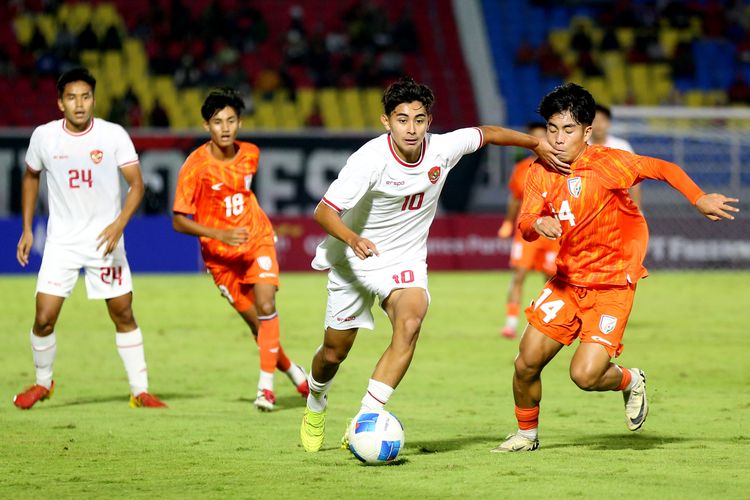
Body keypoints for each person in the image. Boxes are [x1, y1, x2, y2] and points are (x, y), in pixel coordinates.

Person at [299, 76, 570, 452]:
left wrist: (536, 144)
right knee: (333, 354)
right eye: (402, 119)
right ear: (386, 122)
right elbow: (324, 211)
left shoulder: (443, 148)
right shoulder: (368, 160)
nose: (411, 128)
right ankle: (316, 401)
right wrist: (352, 238)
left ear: (429, 120)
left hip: (405, 259)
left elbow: (487, 133)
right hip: (355, 259)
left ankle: (365, 418)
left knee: (410, 322)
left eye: (419, 119)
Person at [493, 83, 739, 453]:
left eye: (569, 129)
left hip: (611, 285)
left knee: (585, 375)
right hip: (567, 282)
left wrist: (698, 197)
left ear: (587, 132)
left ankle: (629, 380)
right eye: (552, 129)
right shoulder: (538, 171)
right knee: (525, 364)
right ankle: (526, 435)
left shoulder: (610, 162)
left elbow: (663, 167)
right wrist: (537, 225)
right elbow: (526, 222)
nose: (558, 139)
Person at [14, 67, 167, 410]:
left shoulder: (113, 135)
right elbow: (30, 177)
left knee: (123, 313)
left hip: (105, 242)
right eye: (72, 97)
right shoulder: (44, 137)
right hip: (62, 244)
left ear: (94, 100)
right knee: (43, 317)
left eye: (85, 97)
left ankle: (140, 390)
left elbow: (137, 184)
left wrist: (119, 224)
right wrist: (27, 228)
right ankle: (43, 383)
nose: (79, 104)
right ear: (60, 103)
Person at [172, 87, 309, 412]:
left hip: (256, 239)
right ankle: (293, 371)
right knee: (258, 326)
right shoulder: (195, 166)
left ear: (239, 123)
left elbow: (243, 195)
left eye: (231, 120)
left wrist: (251, 226)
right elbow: (179, 221)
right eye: (218, 121)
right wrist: (220, 233)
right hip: (220, 258)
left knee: (266, 302)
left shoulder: (251, 153)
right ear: (207, 126)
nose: (225, 127)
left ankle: (265, 389)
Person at [498, 122, 558, 340]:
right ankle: (511, 324)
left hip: (553, 232)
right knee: (519, 275)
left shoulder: (560, 166)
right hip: (526, 231)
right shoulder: (522, 169)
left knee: (552, 279)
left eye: (543, 137)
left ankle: (550, 323)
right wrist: (507, 222)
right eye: (533, 139)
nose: (538, 142)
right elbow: (515, 198)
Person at [590, 104, 641, 206]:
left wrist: (637, 209)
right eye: (595, 120)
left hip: (618, 207)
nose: (598, 125)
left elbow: (634, 181)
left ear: (608, 123)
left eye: (602, 120)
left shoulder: (622, 146)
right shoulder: (580, 148)